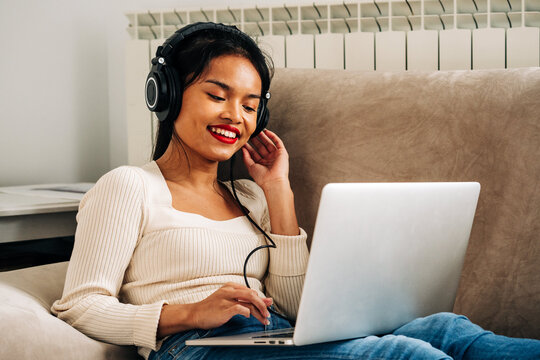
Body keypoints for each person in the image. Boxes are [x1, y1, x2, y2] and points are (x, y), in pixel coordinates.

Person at [52, 22, 540, 360]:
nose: (235, 117)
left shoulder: (250, 196)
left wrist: (278, 191)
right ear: (169, 95)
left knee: (447, 331)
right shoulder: (129, 187)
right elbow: (80, 305)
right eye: (217, 96)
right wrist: (187, 313)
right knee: (401, 354)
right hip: (199, 347)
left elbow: (296, 308)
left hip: (272, 337)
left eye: (249, 106)